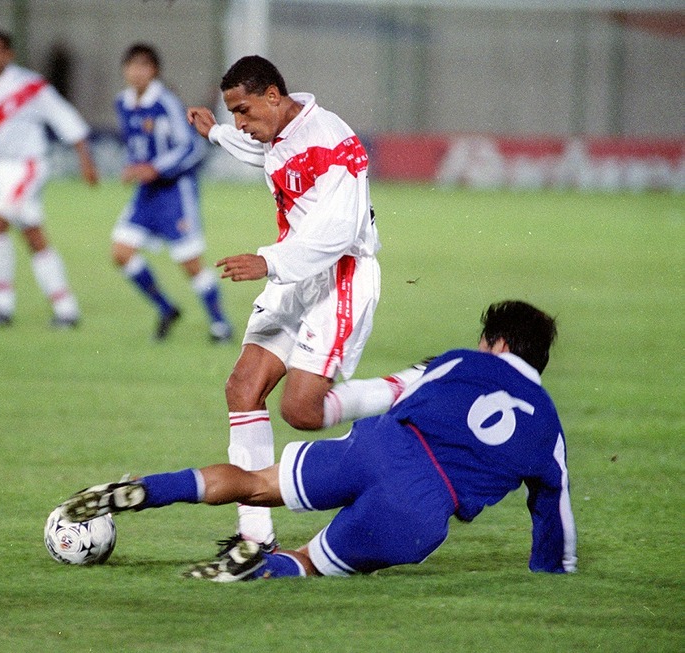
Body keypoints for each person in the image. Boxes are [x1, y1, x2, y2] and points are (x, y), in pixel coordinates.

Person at [59, 300, 578, 582]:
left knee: (255, 483)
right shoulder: (548, 425)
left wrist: (327, 407)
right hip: (422, 505)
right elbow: (553, 510)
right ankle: (240, 572)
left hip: (379, 447)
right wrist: (553, 568)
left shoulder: (462, 361)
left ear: (499, 343)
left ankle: (143, 489)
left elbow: (388, 390)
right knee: (305, 563)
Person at [186, 55, 400, 550]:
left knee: (301, 411)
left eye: (243, 110)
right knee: (243, 388)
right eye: (234, 113)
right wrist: (218, 134)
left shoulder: (332, 141)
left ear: (273, 96)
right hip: (292, 274)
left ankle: (404, 390)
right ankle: (254, 537)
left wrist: (268, 261)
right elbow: (265, 152)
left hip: (338, 275)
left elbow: (341, 233)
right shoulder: (279, 132)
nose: (242, 122)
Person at [0, 30, 98, 328]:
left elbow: (63, 116)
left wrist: (85, 161)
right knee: (32, 235)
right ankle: (65, 309)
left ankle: (2, 306)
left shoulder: (29, 85)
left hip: (28, 166)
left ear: (9, 54)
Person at [112, 43, 232, 342]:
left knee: (189, 263)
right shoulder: (123, 103)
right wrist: (134, 167)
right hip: (146, 194)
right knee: (121, 253)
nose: (136, 72)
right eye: (132, 66)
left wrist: (154, 167)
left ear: (154, 71)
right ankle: (166, 308)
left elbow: (190, 146)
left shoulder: (166, 103)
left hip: (175, 192)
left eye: (143, 66)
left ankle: (220, 325)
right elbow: (137, 144)